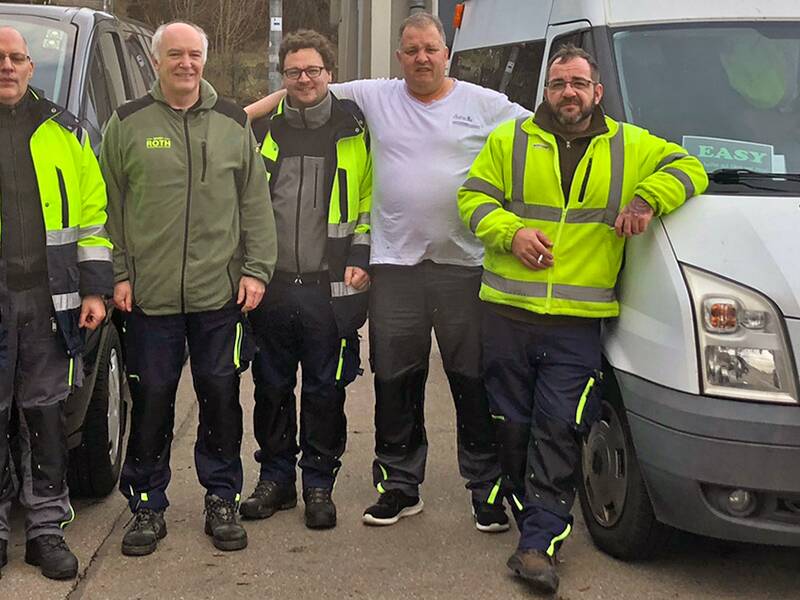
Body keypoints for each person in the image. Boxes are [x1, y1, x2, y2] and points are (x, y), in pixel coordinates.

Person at [246, 12, 529, 533]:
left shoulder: (484, 104)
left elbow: (541, 134)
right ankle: (399, 485)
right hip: (395, 267)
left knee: (471, 380)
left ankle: (485, 490)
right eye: (411, 49)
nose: (422, 57)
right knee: (397, 381)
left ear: (447, 53)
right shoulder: (376, 95)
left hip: (463, 267)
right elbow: (302, 87)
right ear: (399, 57)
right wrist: (235, 117)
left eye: (431, 48)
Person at [457, 44, 708, 593]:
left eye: (578, 83)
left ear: (597, 92)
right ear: (545, 91)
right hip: (506, 311)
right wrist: (512, 232)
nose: (567, 93)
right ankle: (526, 515)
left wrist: (646, 201)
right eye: (557, 84)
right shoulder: (510, 140)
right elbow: (472, 198)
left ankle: (538, 544)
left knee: (561, 428)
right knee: (514, 427)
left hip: (577, 323)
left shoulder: (632, 146)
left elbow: (690, 168)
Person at [100, 21, 277, 556]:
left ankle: (221, 496)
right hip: (148, 299)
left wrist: (257, 269)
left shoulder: (231, 122)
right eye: (174, 54)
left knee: (221, 396)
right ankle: (148, 505)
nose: (185, 63)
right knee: (152, 398)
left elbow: (254, 203)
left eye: (193, 54)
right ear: (156, 61)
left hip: (219, 296)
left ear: (205, 60)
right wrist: (118, 274)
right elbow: (106, 206)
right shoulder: (127, 123)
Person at [238, 29, 371, 530]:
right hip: (270, 287)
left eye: (313, 70)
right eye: (293, 71)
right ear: (282, 78)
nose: (304, 79)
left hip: (327, 289)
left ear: (329, 73)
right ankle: (275, 480)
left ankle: (319, 483)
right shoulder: (263, 130)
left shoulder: (354, 130)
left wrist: (361, 253)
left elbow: (367, 203)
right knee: (271, 389)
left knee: (324, 391)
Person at [0, 26, 113, 580]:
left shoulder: (66, 132)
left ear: (30, 67)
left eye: (16, 58)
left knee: (44, 416)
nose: (7, 67)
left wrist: (94, 289)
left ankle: (45, 530)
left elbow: (93, 217)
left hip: (51, 301)